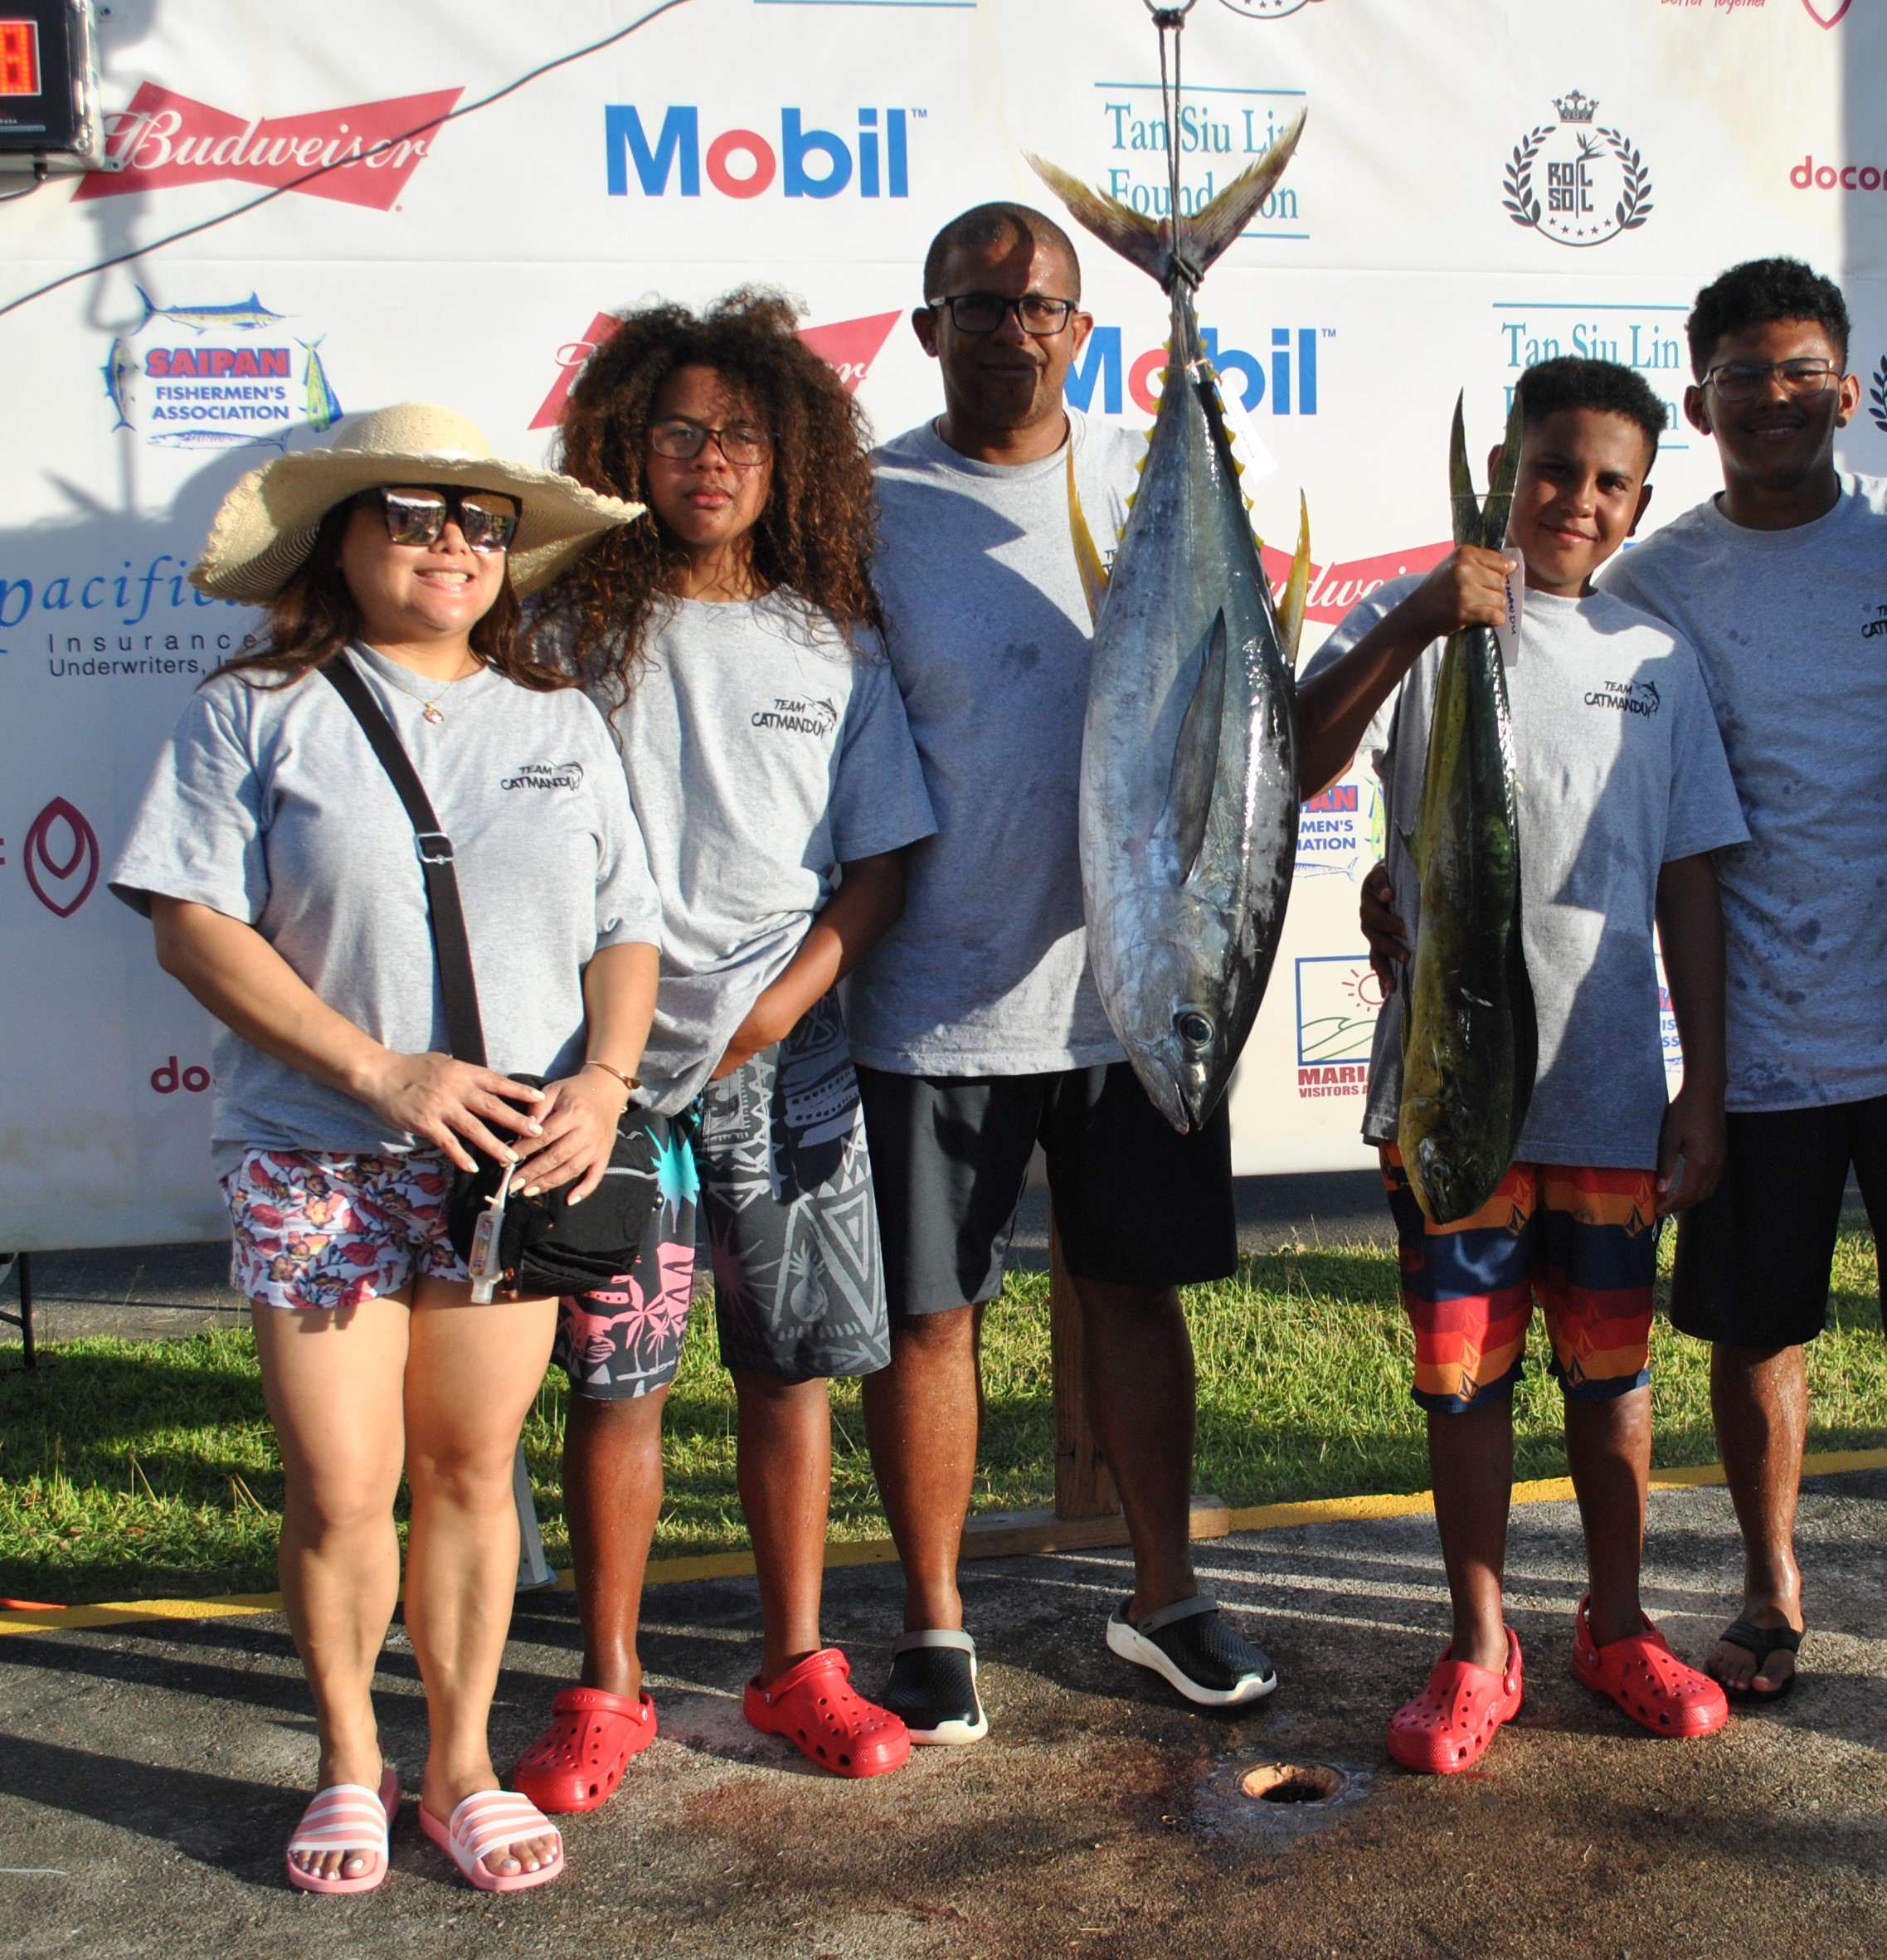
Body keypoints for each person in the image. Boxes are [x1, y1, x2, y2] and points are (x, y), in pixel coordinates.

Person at [109, 405, 659, 1894]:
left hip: (517, 1168)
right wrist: (379, 1071)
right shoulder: (257, 708)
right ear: (339, 541)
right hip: (318, 1156)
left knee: (475, 1469)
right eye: (414, 513)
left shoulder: (560, 722)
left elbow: (627, 926)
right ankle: (352, 1759)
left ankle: (459, 1766)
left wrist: (606, 1085)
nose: (453, 543)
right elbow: (188, 923)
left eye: (480, 520)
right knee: (346, 1484)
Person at [1595, 259, 1887, 1703]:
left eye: (1804, 372)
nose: (1778, 398)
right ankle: (1769, 1591)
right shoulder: (1650, 580)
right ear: (1701, 402)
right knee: (1756, 1329)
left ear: (1851, 391)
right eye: (1746, 376)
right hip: (1764, 1039)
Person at [845, 200, 1274, 1739]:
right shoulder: (863, 501)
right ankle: (937, 1624)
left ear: (1088, 333)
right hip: (931, 998)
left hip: (1139, 988)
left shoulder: (1155, 475)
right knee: (929, 1318)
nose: (1011, 328)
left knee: (1138, 1299)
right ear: (925, 326)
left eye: (1040, 307)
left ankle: (1164, 1597)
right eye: (978, 304)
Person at [516, 291, 937, 1801]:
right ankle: (610, 1685)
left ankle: (795, 1665)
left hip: (791, 1064)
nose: (709, 457)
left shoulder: (828, 638)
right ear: (629, 442)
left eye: (742, 435)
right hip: (600, 1077)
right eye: (681, 430)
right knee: (618, 1380)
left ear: (788, 459)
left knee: (790, 1374)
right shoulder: (559, 622)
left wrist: (785, 999)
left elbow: (884, 865)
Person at [1303, 357, 1744, 1772]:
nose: (1577, 499)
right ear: (1505, 466)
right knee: (1465, 1385)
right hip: (1449, 1103)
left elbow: (1687, 881)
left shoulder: (1654, 661)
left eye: (1610, 481)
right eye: (1553, 468)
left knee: (1612, 1387)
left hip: (1610, 1096)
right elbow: (1300, 755)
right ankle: (1480, 1645)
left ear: (1641, 504)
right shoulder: (1419, 620)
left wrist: (1706, 1085)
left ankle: (1615, 1626)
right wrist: (1425, 612)